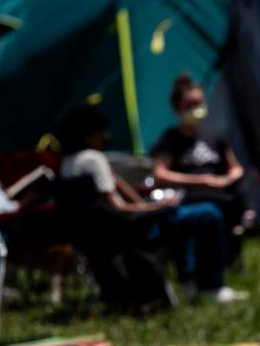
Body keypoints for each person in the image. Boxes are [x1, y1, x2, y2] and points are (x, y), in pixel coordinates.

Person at [56, 104, 247, 303]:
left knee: (181, 216)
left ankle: (188, 279)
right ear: (87, 135)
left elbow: (113, 184)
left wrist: (145, 205)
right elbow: (117, 206)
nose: (106, 136)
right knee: (208, 213)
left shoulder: (67, 164)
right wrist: (155, 208)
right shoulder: (94, 159)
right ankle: (210, 285)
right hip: (130, 230)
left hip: (102, 236)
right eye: (101, 131)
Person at [151, 73, 252, 262]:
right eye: (190, 105)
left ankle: (227, 259)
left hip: (220, 193)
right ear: (177, 108)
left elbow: (236, 168)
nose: (197, 109)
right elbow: (160, 173)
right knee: (211, 211)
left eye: (199, 104)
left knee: (242, 190)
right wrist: (202, 180)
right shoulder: (171, 138)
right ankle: (207, 274)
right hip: (188, 195)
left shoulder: (215, 137)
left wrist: (226, 179)